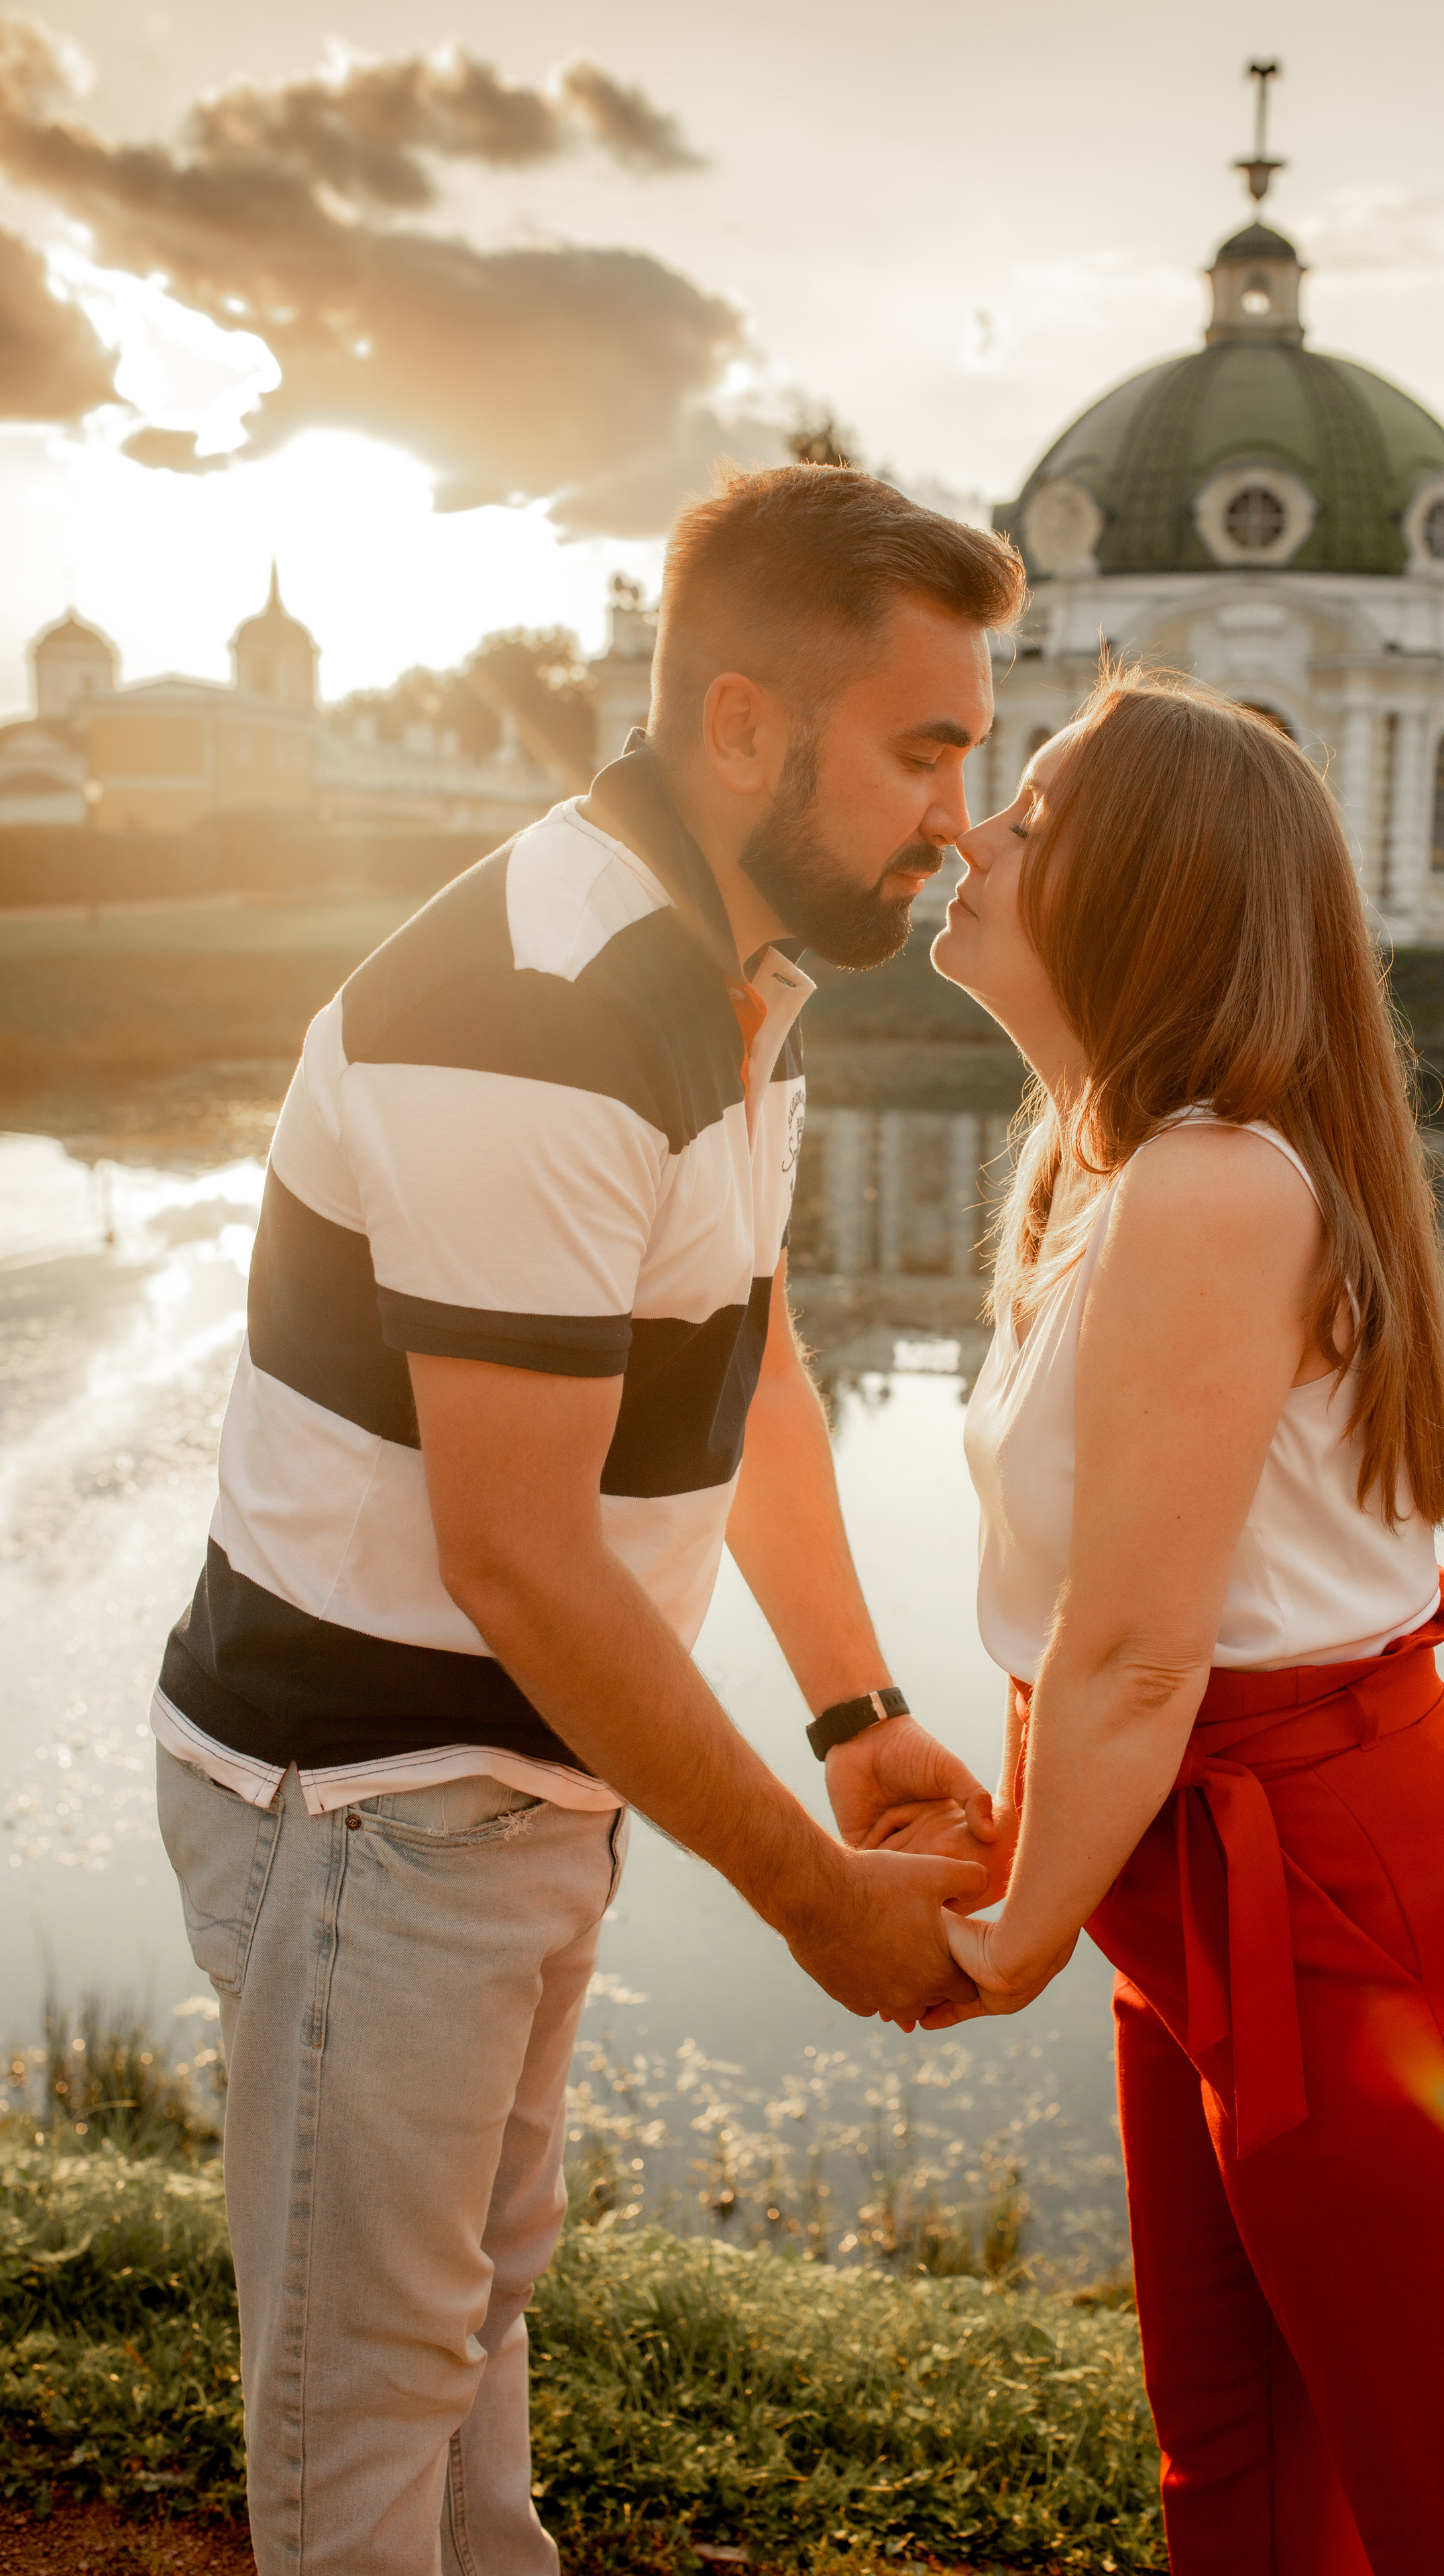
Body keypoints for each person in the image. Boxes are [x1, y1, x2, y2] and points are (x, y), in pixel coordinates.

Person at [150, 464, 1025, 2576]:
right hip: (367, 1791)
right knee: (361, 2400)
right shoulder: (538, 1007)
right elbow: (518, 1555)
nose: (963, 822)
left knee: (476, 2324)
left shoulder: (739, 973)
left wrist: (856, 1713)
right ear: (744, 725)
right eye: (925, 750)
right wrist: (819, 1899)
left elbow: (756, 1365)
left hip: (521, 1773)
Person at [913, 672, 1444, 2573]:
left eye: (1034, 821)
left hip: (1350, 1915)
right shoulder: (1103, 1172)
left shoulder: (1217, 1184)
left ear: (1146, 891)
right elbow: (1096, 1633)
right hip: (1201, 1892)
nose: (968, 834)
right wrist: (1048, 1858)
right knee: (1232, 2466)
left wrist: (1007, 1936)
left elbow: (1146, 1650)